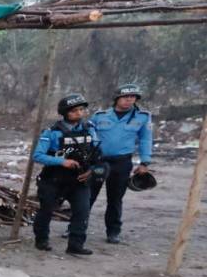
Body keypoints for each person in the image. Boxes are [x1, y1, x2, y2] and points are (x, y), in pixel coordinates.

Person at [32, 93, 100, 256]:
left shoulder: (89, 129)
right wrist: (62, 162)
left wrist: (92, 170)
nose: (78, 113)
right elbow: (38, 155)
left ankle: (76, 245)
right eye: (74, 110)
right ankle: (41, 240)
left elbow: (97, 153)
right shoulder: (52, 132)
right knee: (46, 210)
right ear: (64, 112)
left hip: (79, 179)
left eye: (81, 109)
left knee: (82, 211)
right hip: (53, 178)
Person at [89, 83, 153, 243]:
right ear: (117, 98)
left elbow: (146, 139)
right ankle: (75, 228)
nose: (129, 100)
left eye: (133, 97)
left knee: (115, 198)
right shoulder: (99, 116)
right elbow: (88, 137)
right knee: (88, 195)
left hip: (121, 163)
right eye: (125, 97)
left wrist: (145, 162)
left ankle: (113, 232)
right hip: (99, 162)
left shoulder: (142, 117)